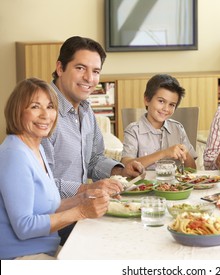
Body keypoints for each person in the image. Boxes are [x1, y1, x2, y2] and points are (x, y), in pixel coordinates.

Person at [41, 36, 143, 244]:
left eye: (95, 71)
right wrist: (86, 189)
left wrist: (120, 170)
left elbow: (94, 159)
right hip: (53, 220)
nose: (89, 78)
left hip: (81, 210)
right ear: (60, 68)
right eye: (80, 68)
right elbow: (42, 185)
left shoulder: (86, 111)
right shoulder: (43, 113)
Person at [0, 78, 110, 260]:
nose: (45, 115)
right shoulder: (14, 155)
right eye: (35, 107)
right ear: (17, 112)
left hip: (43, 250)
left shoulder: (37, 148)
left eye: (50, 107)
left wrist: (85, 197)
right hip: (20, 258)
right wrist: (81, 211)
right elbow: (24, 226)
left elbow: (48, 206)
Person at [121, 74, 197, 170]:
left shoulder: (177, 128)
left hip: (175, 184)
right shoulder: (133, 130)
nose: (166, 108)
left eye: (172, 105)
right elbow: (127, 165)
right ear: (147, 100)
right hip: (145, 184)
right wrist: (164, 153)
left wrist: (185, 154)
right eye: (161, 101)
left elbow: (193, 169)